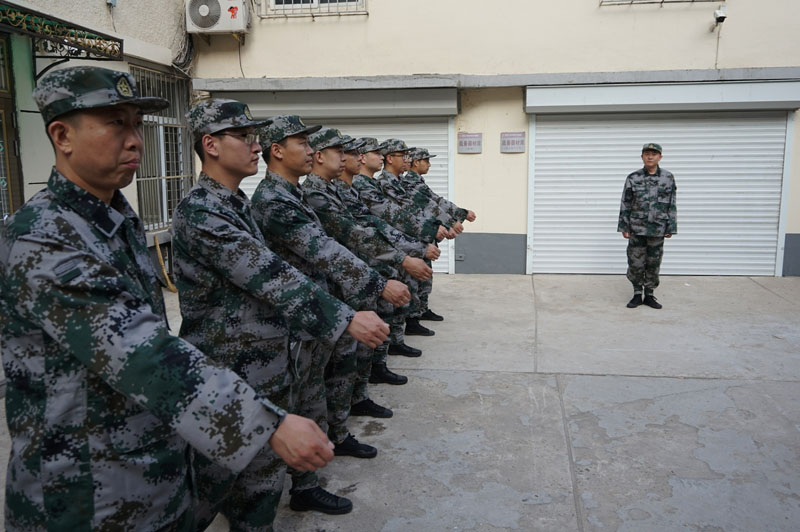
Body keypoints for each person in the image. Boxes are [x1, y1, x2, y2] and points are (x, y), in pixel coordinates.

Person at [0, 66, 333, 531]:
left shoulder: (114, 216)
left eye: (137, 123)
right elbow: (140, 352)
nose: (135, 139)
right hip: (82, 497)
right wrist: (265, 423)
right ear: (62, 135)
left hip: (146, 473)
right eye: (116, 123)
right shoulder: (42, 236)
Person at [171, 99, 389, 530]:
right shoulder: (201, 210)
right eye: (246, 137)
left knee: (261, 485)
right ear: (210, 145)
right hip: (227, 373)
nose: (257, 146)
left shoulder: (235, 204)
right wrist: (346, 318)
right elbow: (269, 275)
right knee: (208, 488)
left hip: (263, 363)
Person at [252, 114, 409, 515]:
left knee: (313, 395)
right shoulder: (272, 200)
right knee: (292, 404)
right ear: (278, 151)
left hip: (317, 311)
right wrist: (378, 283)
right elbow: (322, 248)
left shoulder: (296, 194)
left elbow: (344, 234)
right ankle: (286, 490)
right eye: (303, 144)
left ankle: (308, 482)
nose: (312, 150)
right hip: (297, 317)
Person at [407, 147, 477, 321]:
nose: (429, 164)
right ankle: (413, 316)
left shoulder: (418, 182)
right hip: (417, 236)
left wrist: (461, 213)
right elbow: (430, 205)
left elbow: (436, 201)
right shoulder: (410, 183)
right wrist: (451, 222)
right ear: (416, 163)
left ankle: (422, 310)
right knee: (416, 278)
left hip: (426, 234)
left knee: (425, 276)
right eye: (426, 161)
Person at [617, 142, 678, 309]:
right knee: (635, 263)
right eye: (647, 154)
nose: (650, 156)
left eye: (654, 154)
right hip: (637, 228)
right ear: (642, 156)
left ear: (660, 157)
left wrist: (671, 226)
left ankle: (649, 295)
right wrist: (624, 226)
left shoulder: (668, 177)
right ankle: (637, 294)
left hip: (657, 228)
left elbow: (671, 203)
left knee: (654, 262)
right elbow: (626, 203)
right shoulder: (633, 178)